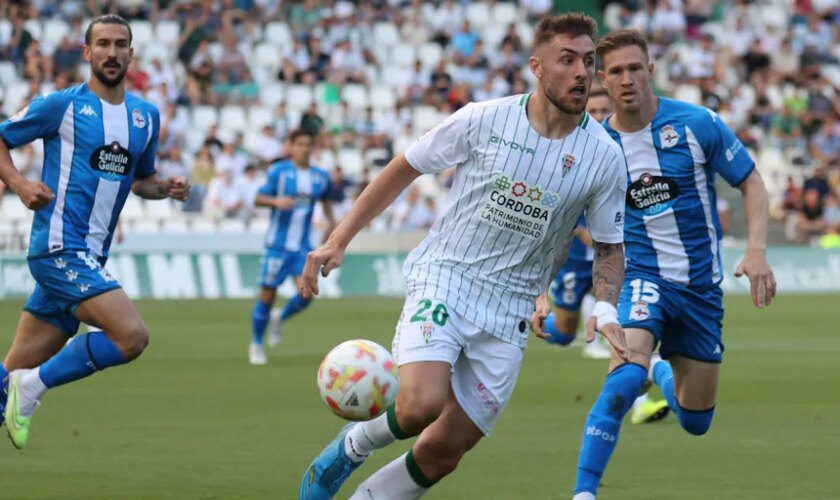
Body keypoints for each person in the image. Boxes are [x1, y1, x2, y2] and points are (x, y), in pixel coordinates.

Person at [298, 14, 630, 499]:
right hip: (448, 277)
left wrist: (604, 306)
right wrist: (339, 238)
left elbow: (607, 245)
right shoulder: (483, 118)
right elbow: (405, 167)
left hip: (511, 312)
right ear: (537, 67)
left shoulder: (604, 157)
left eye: (588, 60)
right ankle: (352, 446)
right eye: (567, 60)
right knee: (418, 406)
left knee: (444, 451)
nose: (582, 72)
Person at [572, 30, 776, 500]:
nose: (627, 80)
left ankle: (660, 370)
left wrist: (757, 250)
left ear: (650, 70)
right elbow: (569, 223)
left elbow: (752, 183)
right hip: (644, 278)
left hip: (701, 289)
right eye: (616, 72)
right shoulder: (598, 148)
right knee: (623, 377)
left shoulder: (697, 123)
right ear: (605, 79)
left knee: (696, 421)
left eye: (634, 68)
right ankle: (584, 492)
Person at [0, 15, 190, 449]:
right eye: (102, 44)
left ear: (131, 53)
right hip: (58, 250)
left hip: (90, 258)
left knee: (9, 370)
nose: (111, 52)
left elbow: (141, 179)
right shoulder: (60, 106)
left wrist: (166, 188)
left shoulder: (144, 116)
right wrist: (20, 183)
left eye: (120, 44)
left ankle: (17, 387)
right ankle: (31, 390)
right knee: (131, 337)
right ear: (86, 53)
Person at [248, 129, 336, 365]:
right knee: (267, 295)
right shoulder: (279, 171)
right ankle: (256, 343)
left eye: (308, 144)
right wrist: (275, 201)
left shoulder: (321, 177)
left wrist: (332, 231)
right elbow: (258, 198)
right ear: (291, 146)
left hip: (303, 248)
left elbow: (328, 209)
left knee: (307, 293)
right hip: (277, 246)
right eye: (300, 144)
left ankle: (280, 317)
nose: (304, 149)